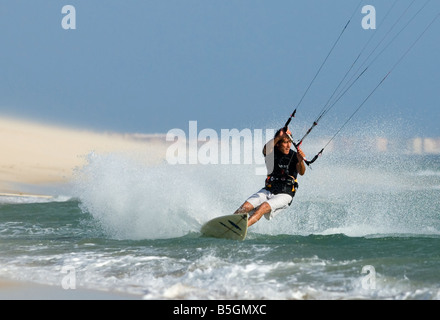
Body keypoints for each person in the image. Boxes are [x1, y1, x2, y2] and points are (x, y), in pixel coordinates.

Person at [234, 127, 306, 227]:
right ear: (278, 144)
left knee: (263, 207)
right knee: (245, 207)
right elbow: (265, 149)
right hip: (269, 189)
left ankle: (241, 227)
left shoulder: (294, 156)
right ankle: (229, 224)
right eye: (285, 142)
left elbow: (301, 172)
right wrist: (279, 136)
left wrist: (300, 160)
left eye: (289, 142)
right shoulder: (272, 153)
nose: (288, 145)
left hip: (285, 194)